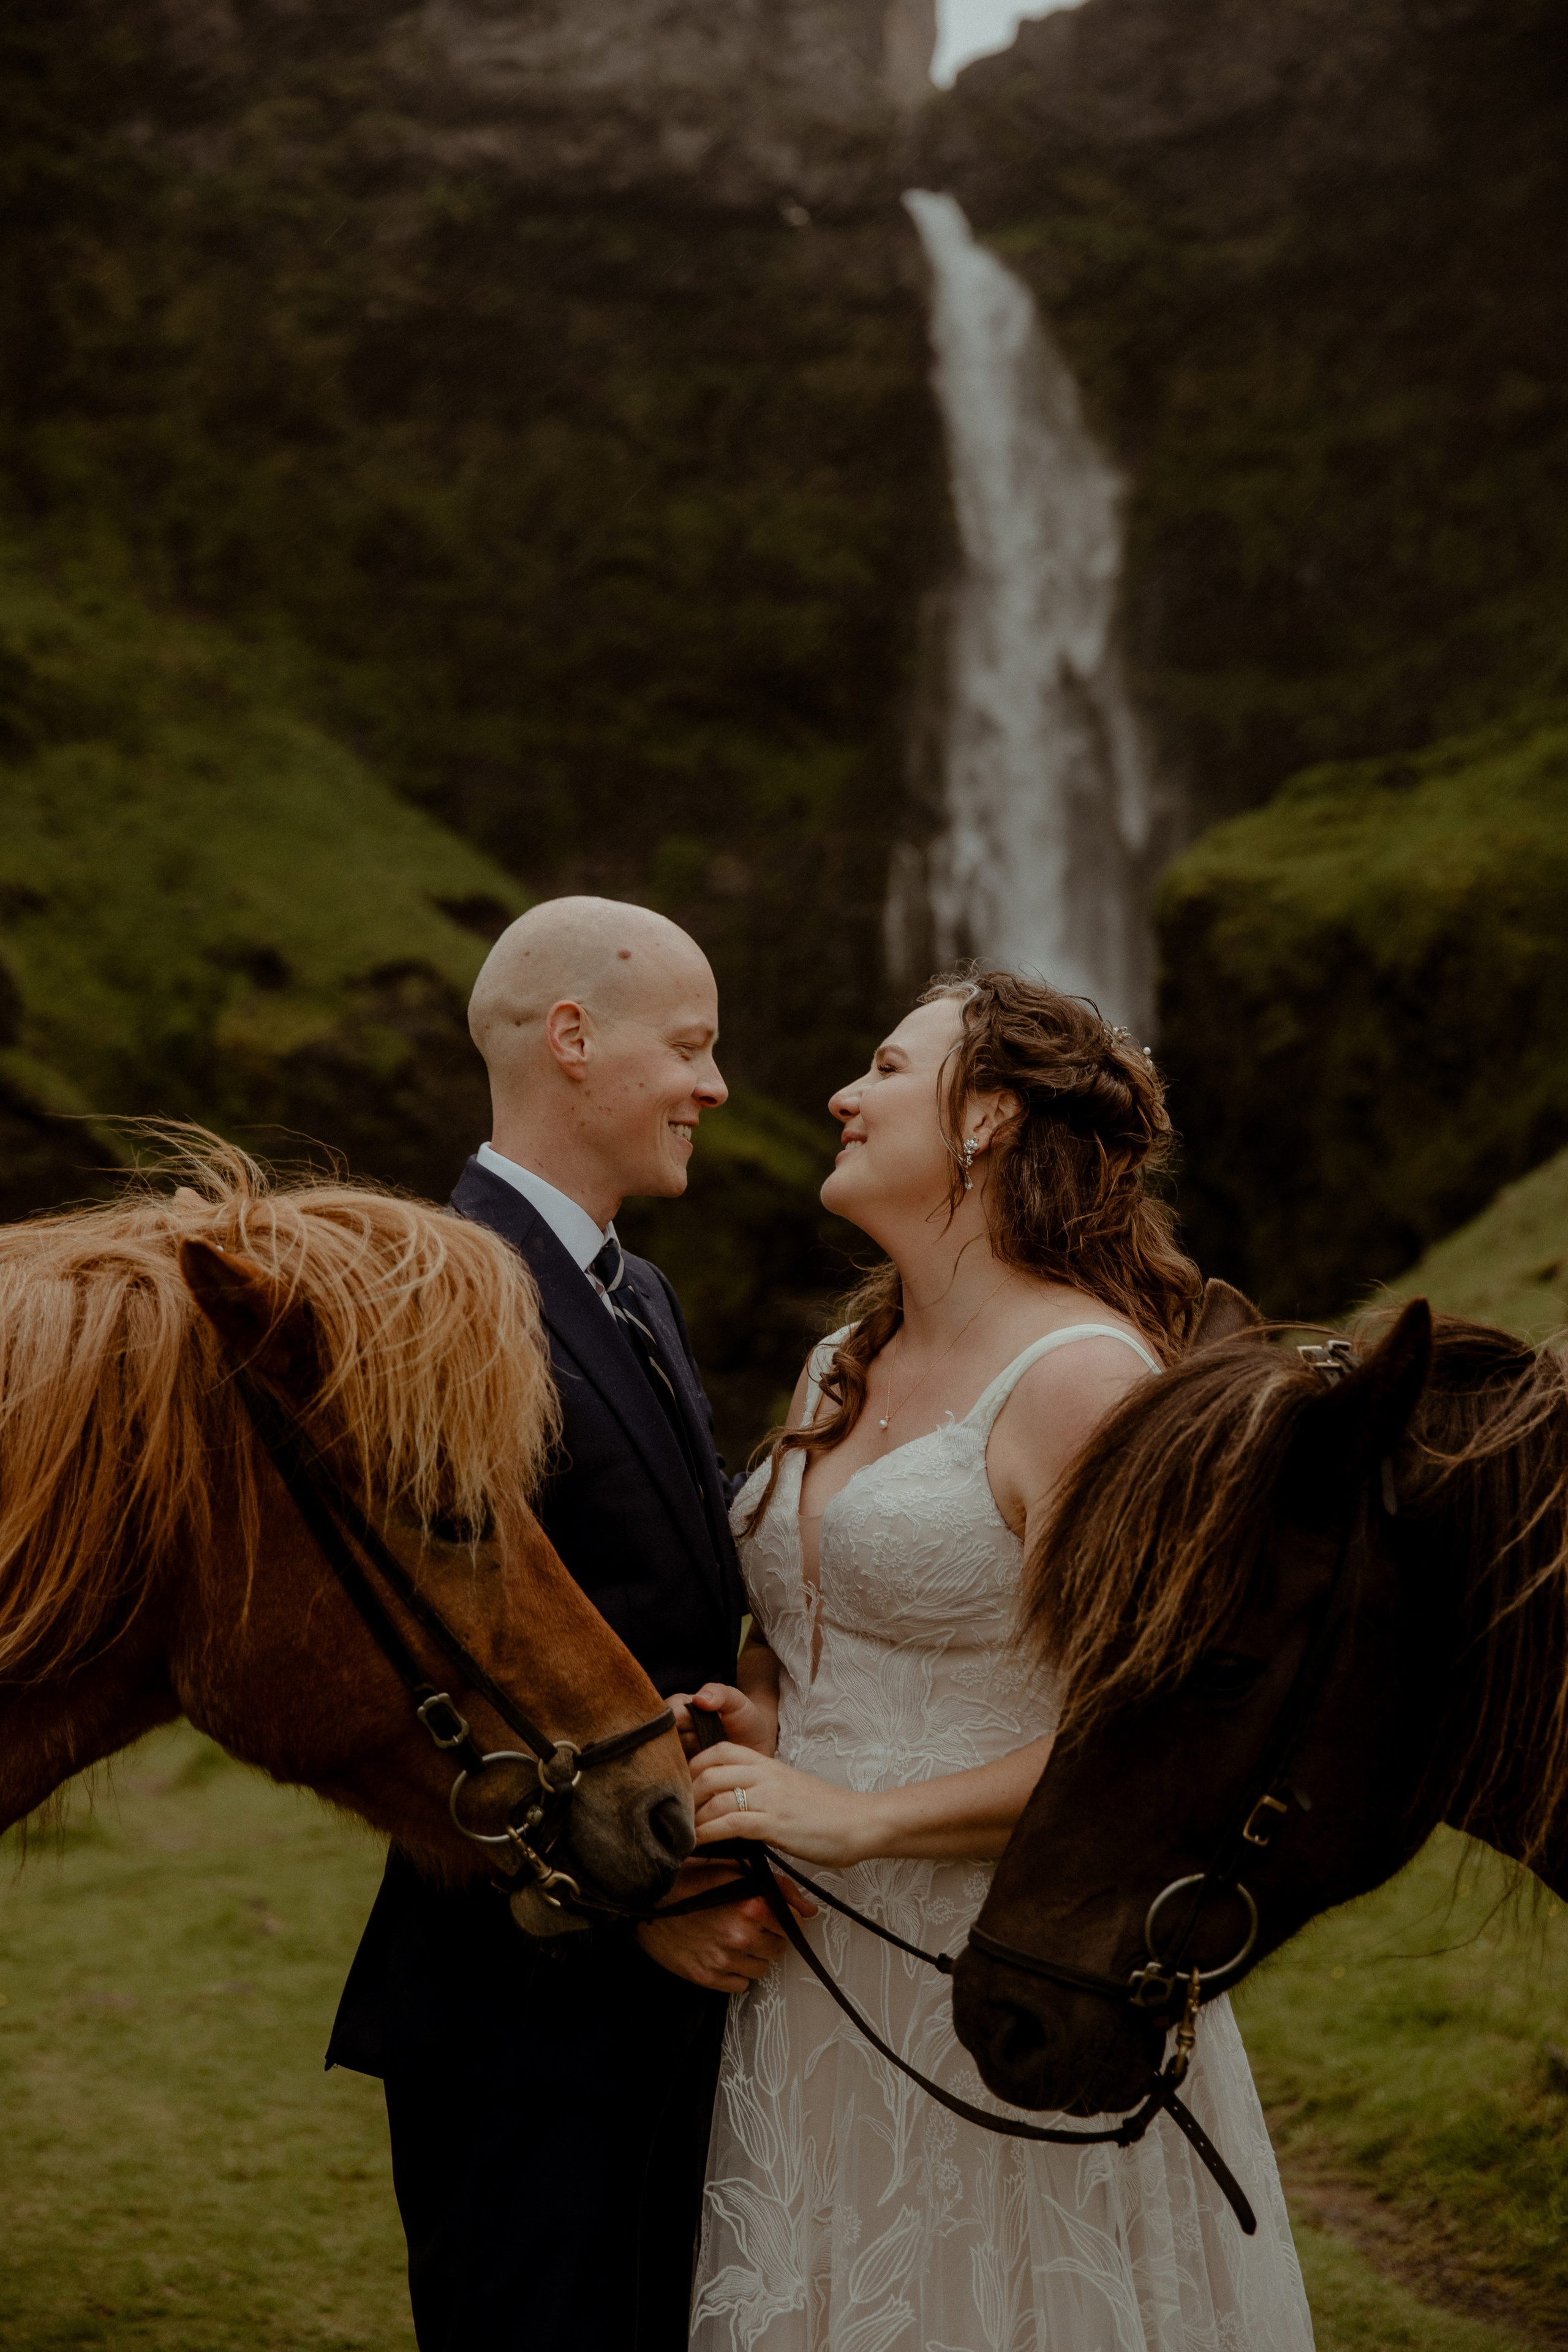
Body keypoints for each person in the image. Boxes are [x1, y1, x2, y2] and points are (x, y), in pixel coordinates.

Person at [679, 968, 1314, 2351]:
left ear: (986, 1118)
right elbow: (801, 1637)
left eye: (885, 1069)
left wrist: (861, 1820)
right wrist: (771, 1724)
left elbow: (1149, 1746)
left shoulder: (1083, 1382)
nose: (841, 1097)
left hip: (1010, 1970)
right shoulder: (839, 1358)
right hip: (808, 1981)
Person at [326, 897, 803, 2352]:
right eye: (692, 1045)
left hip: (670, 1964)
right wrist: (635, 1916)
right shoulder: (428, 1292)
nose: (715, 1088)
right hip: (519, 1995)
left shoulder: (635, 1288)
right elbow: (420, 1672)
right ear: (573, 1039)